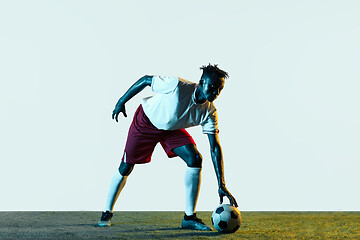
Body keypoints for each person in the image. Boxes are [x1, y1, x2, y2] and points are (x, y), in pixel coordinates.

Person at [97, 64, 238, 231]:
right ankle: (107, 212)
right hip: (146, 123)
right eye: (212, 87)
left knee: (195, 159)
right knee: (126, 167)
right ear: (201, 82)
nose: (215, 93)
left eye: (219, 89)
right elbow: (146, 80)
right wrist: (121, 101)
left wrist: (221, 184)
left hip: (171, 130)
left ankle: (189, 218)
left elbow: (215, 147)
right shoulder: (177, 85)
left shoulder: (209, 111)